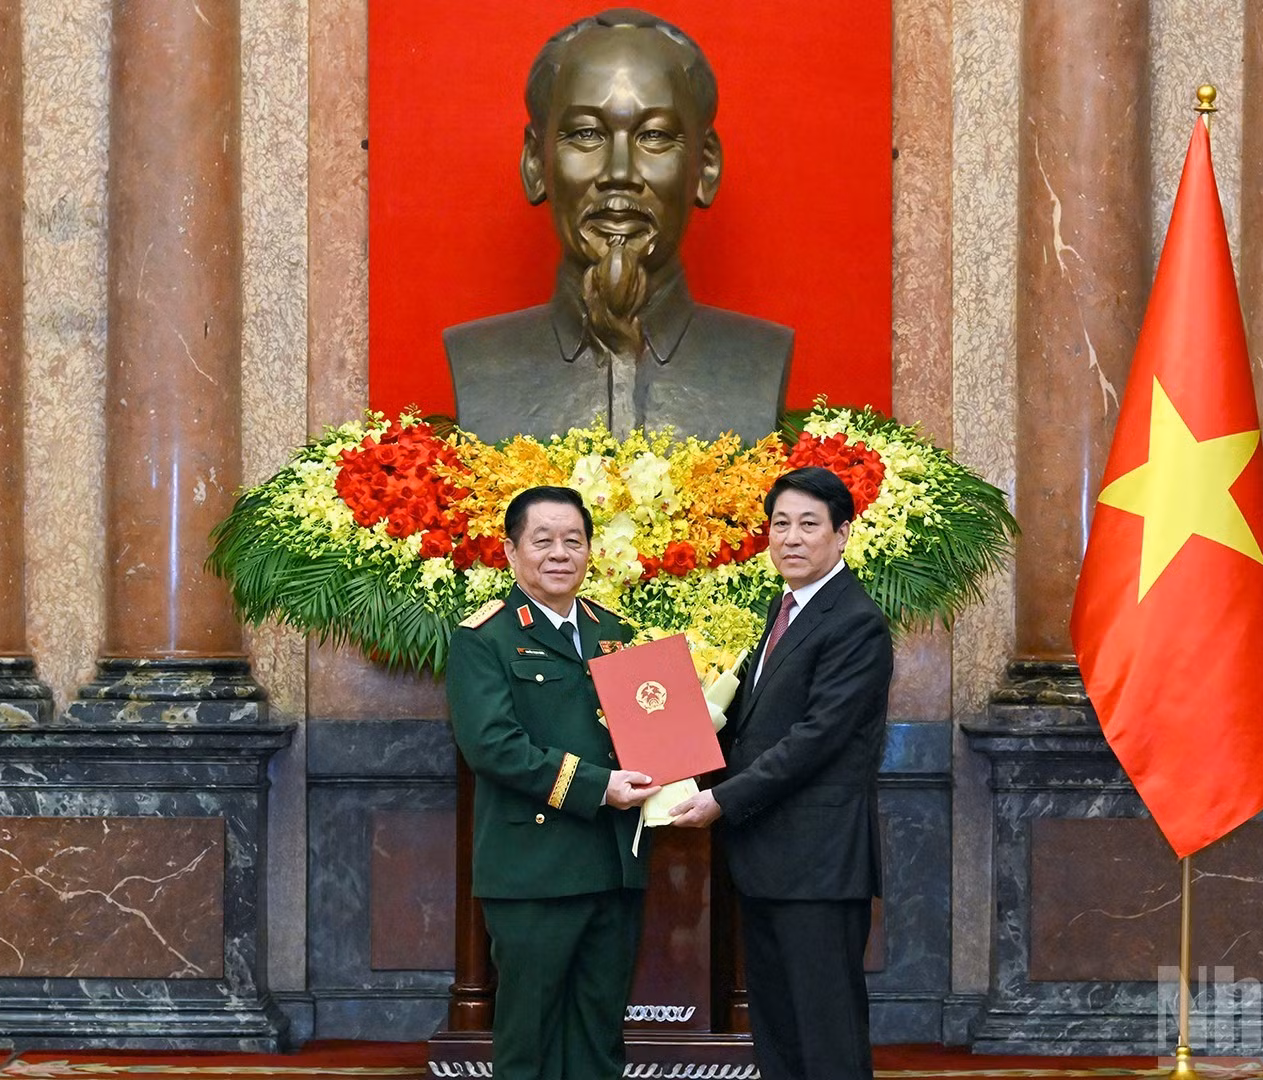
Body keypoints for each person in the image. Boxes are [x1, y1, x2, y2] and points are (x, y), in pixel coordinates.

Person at [445, 8, 792, 443]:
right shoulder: (479, 361)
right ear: (536, 163)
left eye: (655, 135)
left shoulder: (761, 357)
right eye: (587, 134)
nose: (619, 172)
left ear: (705, 167)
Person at [668, 466, 893, 1080]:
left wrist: (721, 800)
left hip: (819, 864)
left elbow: (815, 739)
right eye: (780, 524)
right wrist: (670, 749)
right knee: (778, 1028)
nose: (790, 538)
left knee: (826, 1033)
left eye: (809, 525)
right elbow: (747, 721)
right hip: (768, 856)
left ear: (843, 534)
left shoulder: (855, 622)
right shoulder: (786, 607)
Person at [444, 485, 661, 1080]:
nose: (560, 553)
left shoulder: (612, 631)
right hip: (532, 868)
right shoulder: (482, 638)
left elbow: (646, 730)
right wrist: (600, 788)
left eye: (573, 540)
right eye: (543, 541)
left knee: (599, 1036)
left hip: (613, 864)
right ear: (512, 553)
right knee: (530, 1038)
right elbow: (493, 747)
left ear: (591, 550)